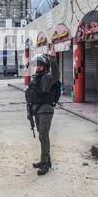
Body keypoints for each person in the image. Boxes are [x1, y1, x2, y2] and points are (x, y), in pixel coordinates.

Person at [25, 47, 60, 176]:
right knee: (42, 136)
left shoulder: (48, 77)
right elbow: (30, 95)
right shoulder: (37, 78)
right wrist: (29, 112)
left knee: (43, 136)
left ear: (45, 66)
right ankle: (46, 160)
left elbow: (56, 75)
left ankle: (45, 164)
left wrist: (53, 59)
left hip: (46, 110)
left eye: (40, 65)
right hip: (37, 110)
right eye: (37, 65)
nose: (38, 67)